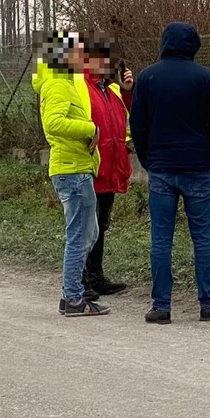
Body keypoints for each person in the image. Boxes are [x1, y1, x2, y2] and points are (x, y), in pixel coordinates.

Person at [129, 22, 210, 325]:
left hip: (161, 167)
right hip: (199, 166)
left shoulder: (147, 78)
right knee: (202, 238)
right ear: (193, 45)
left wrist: (148, 160)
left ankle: (161, 306)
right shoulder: (205, 78)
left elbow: (138, 125)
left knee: (161, 239)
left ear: (164, 43)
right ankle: (208, 303)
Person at [31, 29, 110, 317]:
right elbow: (53, 124)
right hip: (71, 169)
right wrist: (90, 129)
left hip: (78, 165)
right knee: (80, 235)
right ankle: (74, 297)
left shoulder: (64, 80)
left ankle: (71, 293)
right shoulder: (57, 82)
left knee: (89, 233)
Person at [81, 33, 133, 297]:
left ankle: (95, 275)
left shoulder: (110, 89)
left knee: (101, 224)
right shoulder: (81, 88)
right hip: (91, 167)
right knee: (86, 227)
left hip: (111, 166)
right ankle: (81, 279)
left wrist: (127, 91)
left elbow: (126, 117)